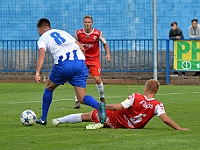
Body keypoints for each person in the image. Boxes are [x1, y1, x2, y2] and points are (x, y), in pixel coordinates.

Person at [34, 18, 106, 125]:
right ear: (50, 27)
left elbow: (42, 53)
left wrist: (37, 72)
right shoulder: (63, 32)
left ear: (39, 29)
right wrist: (81, 63)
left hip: (64, 63)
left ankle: (43, 119)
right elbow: (81, 47)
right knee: (81, 97)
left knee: (49, 87)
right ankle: (98, 105)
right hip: (80, 63)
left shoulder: (43, 38)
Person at [52, 79, 188, 130]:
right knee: (93, 118)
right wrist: (179, 128)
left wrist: (102, 106)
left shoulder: (136, 97)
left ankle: (59, 120)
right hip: (127, 125)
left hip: (118, 117)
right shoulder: (158, 105)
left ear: (146, 89)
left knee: (86, 116)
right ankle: (101, 123)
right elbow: (165, 119)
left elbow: (119, 107)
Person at [73, 15, 111, 109]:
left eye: (89, 22)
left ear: (92, 23)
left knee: (97, 79)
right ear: (83, 23)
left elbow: (104, 43)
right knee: (79, 79)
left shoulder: (97, 33)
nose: (87, 24)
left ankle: (102, 97)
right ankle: (77, 100)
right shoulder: (78, 33)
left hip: (94, 59)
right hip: (82, 59)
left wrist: (108, 54)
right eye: (85, 22)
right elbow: (73, 43)